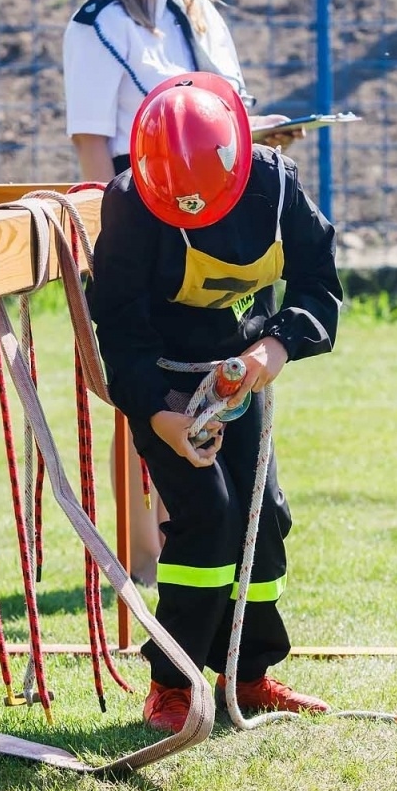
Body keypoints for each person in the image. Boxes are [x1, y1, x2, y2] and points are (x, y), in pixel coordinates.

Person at [64, 0, 301, 586]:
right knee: (147, 396)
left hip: (219, 232)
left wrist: (264, 134)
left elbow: (225, 118)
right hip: (142, 227)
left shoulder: (199, 16)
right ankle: (145, 559)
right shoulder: (98, 25)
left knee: (221, 398)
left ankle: (195, 554)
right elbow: (92, 147)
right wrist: (107, 243)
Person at [86, 72, 340, 733]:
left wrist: (276, 347)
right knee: (209, 514)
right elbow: (120, 330)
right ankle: (172, 685)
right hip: (164, 383)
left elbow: (318, 282)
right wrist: (161, 418)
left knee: (265, 516)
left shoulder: (276, 186)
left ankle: (247, 674)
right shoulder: (130, 205)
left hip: (242, 372)